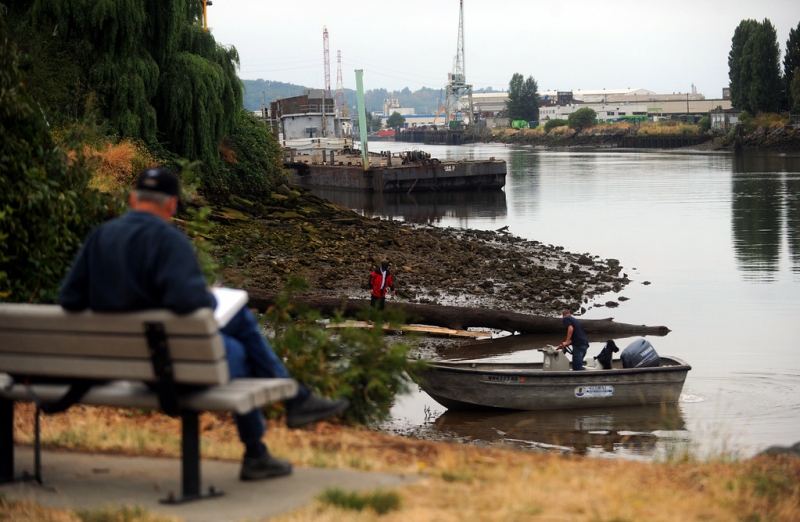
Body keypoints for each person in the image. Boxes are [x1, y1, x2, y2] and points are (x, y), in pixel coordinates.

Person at [59, 167, 349, 481]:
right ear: (171, 205)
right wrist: (208, 295)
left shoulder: (100, 236)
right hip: (173, 368)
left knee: (237, 336)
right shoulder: (169, 240)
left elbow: (70, 299)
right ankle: (271, 433)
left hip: (125, 365)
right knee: (242, 347)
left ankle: (284, 417)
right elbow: (190, 303)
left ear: (132, 199)